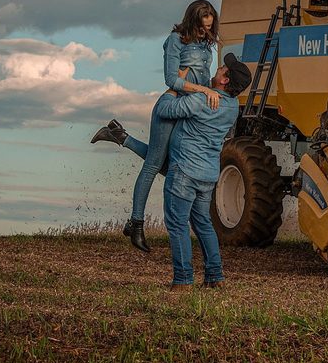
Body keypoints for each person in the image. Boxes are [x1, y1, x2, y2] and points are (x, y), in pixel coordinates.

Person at [103, 54, 252, 290]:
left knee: (177, 224)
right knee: (203, 223)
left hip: (185, 171)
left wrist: (177, 84)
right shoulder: (232, 107)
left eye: (224, 68)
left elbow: (164, 109)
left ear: (224, 80)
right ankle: (215, 275)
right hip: (208, 174)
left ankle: (183, 280)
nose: (220, 68)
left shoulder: (202, 101)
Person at [91, 0, 220, 254]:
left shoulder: (207, 45)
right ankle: (137, 223)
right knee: (153, 165)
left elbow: (202, 76)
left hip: (191, 110)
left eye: (210, 22)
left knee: (173, 167)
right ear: (193, 20)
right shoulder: (175, 40)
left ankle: (121, 136)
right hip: (171, 106)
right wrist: (203, 89)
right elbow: (171, 79)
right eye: (203, 23)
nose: (207, 28)